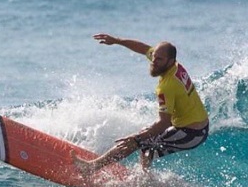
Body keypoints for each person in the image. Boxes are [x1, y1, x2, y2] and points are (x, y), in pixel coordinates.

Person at [73, 34, 209, 171]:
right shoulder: (172, 65)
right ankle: (145, 178)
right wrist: (116, 41)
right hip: (193, 124)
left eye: (159, 59)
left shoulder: (168, 86)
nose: (154, 61)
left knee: (140, 141)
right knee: (145, 139)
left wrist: (136, 139)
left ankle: (92, 168)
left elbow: (164, 123)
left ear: (170, 61)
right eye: (154, 56)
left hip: (191, 133)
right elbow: (143, 48)